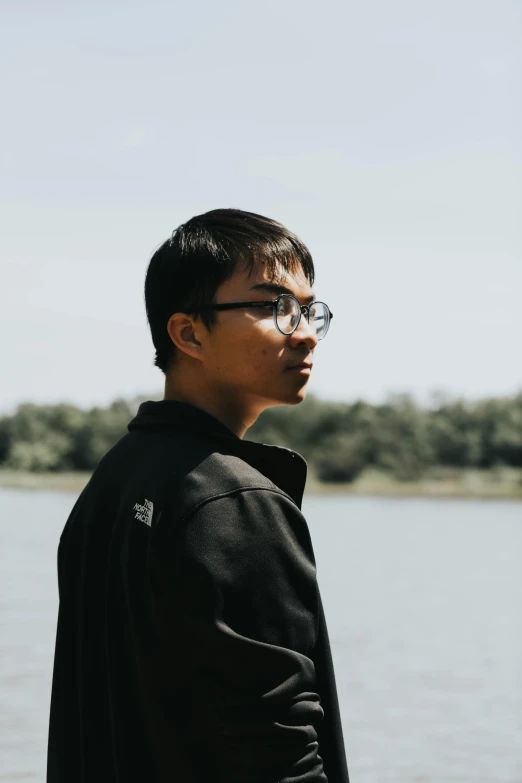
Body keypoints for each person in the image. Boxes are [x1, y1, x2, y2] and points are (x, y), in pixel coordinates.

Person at [47, 208, 350, 782]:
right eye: (273, 307)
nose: (305, 331)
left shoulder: (116, 479)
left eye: (309, 310)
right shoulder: (234, 502)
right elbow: (278, 752)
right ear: (188, 333)